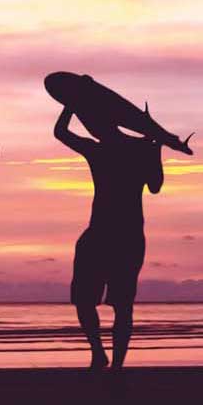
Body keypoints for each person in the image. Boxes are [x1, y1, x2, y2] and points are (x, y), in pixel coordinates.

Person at [55, 107, 163, 369]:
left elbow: (60, 132)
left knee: (117, 304)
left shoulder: (100, 150)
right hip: (116, 236)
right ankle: (106, 358)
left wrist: (70, 104)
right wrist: (155, 146)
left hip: (117, 236)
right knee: (102, 302)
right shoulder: (132, 151)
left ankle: (109, 361)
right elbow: (156, 186)